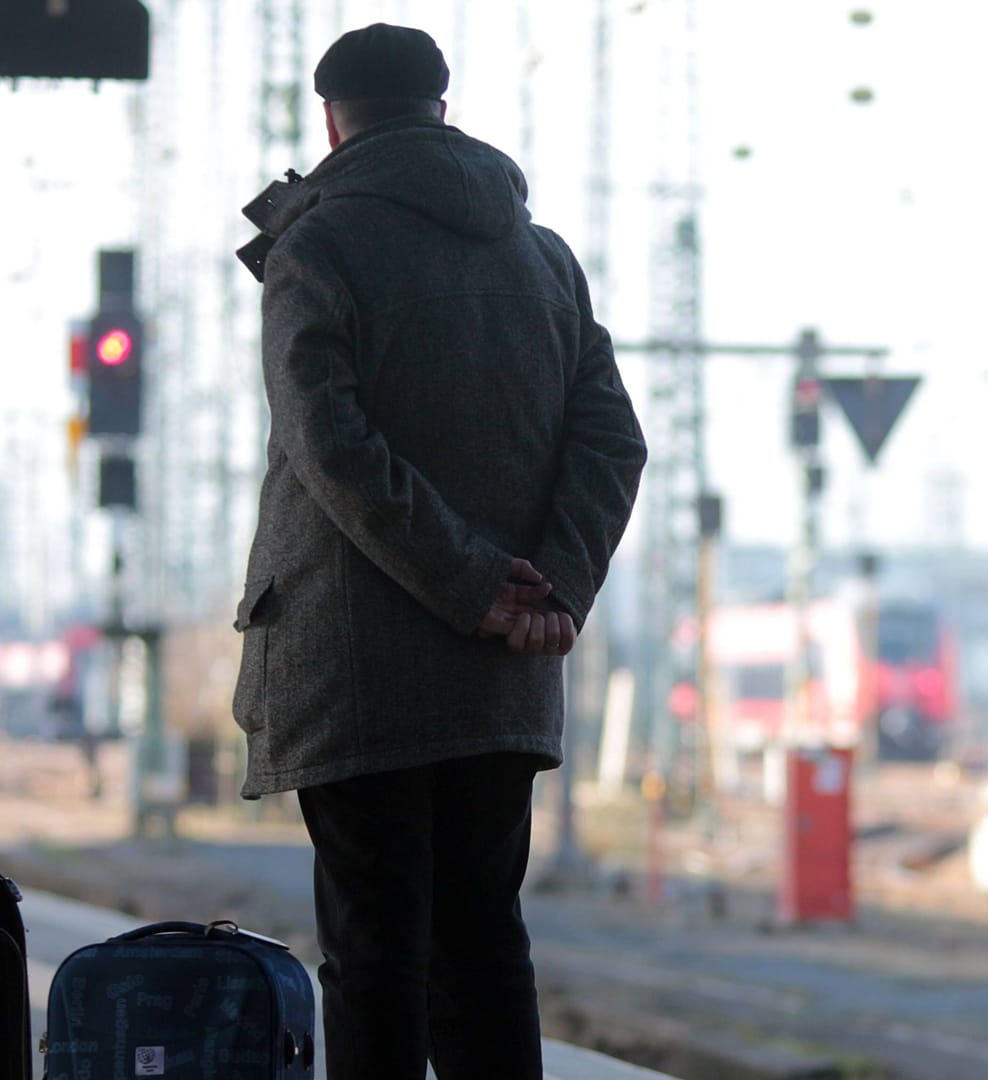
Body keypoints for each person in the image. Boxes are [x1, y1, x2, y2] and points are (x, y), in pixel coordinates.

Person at [230, 23, 645, 1079]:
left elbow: (332, 445)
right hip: (504, 676)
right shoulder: (543, 257)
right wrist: (549, 588)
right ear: (443, 111)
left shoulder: (316, 247)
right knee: (484, 943)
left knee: (376, 950)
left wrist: (472, 585)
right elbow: (611, 439)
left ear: (332, 120)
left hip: (360, 666)